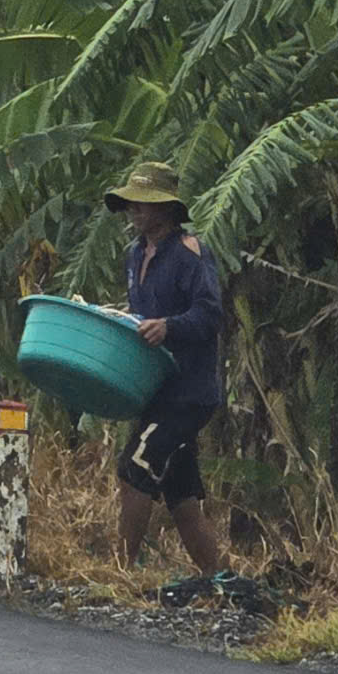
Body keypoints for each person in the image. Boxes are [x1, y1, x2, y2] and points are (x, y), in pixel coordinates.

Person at [105, 162, 227, 575]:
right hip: (155, 387)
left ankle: (120, 571)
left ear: (166, 209)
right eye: (131, 205)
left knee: (135, 466)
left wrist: (169, 327)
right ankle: (218, 578)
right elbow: (145, 313)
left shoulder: (190, 253)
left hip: (188, 393)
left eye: (142, 204)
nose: (134, 212)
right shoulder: (136, 254)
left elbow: (210, 315)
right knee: (180, 494)